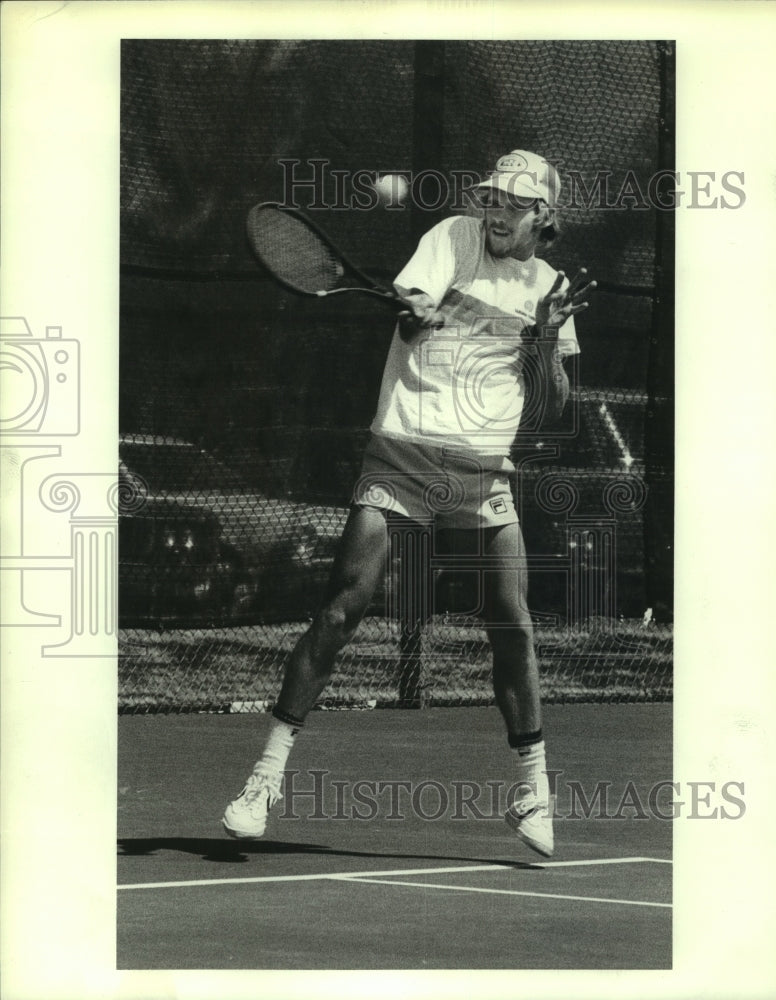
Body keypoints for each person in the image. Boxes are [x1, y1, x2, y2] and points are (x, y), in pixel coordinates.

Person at [223, 150, 595, 857]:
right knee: (343, 606)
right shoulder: (449, 238)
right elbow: (408, 325)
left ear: (541, 215)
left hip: (482, 469)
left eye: (511, 203)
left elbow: (549, 405)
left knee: (511, 624)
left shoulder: (551, 285)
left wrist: (545, 337)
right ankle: (262, 779)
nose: (494, 210)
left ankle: (532, 791)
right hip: (404, 450)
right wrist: (421, 316)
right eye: (490, 197)